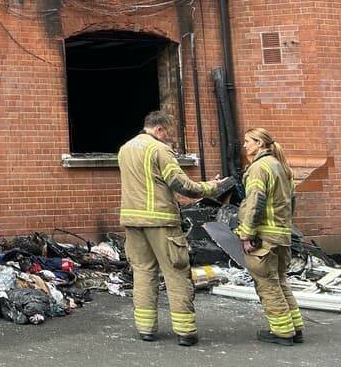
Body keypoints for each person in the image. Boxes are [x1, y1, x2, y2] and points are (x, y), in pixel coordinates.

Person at [118, 111, 222, 346]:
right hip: (161, 222)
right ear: (159, 130)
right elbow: (181, 185)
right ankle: (185, 332)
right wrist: (210, 187)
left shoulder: (125, 148)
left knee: (143, 273)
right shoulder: (159, 149)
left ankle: (145, 328)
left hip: (132, 221)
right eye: (167, 133)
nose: (168, 138)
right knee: (176, 273)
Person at [234, 127, 303, 346]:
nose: (245, 145)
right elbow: (291, 202)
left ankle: (282, 332)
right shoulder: (281, 167)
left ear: (260, 144)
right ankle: (295, 328)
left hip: (265, 237)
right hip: (282, 235)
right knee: (280, 281)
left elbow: (255, 202)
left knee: (268, 285)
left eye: (248, 141)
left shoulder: (259, 168)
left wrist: (247, 234)